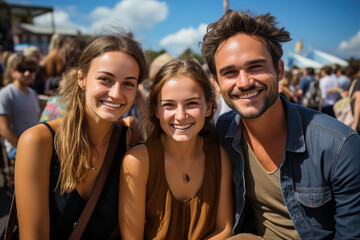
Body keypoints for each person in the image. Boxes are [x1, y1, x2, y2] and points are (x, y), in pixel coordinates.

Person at [201, 9, 360, 239]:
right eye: (230, 72)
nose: (244, 82)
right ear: (216, 83)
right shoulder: (223, 131)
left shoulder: (339, 148)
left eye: (256, 66)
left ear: (279, 70)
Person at [14, 34, 147, 239]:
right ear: (82, 79)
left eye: (129, 83)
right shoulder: (38, 141)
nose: (116, 93)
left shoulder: (129, 139)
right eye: (105, 79)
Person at [119, 59, 233, 239]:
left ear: (208, 107)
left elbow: (224, 228)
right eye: (169, 105)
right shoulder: (137, 162)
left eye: (192, 103)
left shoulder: (219, 156)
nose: (180, 116)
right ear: (156, 110)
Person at [0, 54, 40, 161]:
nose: (27, 73)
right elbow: (4, 129)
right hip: (16, 148)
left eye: (31, 70)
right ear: (13, 72)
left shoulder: (32, 93)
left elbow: (37, 121)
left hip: (34, 145)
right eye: (22, 69)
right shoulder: (6, 94)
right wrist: (24, 147)